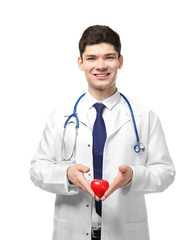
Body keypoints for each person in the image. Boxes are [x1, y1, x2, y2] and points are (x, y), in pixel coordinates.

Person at [30, 25, 175, 240]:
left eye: (109, 57)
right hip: (71, 231)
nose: (101, 65)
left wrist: (133, 176)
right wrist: (66, 175)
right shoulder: (60, 116)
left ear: (120, 61)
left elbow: (166, 172)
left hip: (124, 231)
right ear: (80, 63)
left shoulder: (145, 116)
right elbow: (37, 170)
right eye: (91, 58)